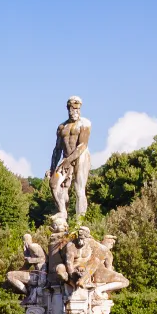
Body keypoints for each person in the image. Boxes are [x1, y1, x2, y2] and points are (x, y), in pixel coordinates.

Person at [46, 96, 91, 230]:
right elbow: (57, 149)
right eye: (71, 108)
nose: (73, 111)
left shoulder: (85, 124)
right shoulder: (62, 127)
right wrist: (53, 168)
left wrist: (68, 161)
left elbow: (82, 145)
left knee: (79, 189)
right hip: (66, 158)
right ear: (67, 108)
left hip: (81, 157)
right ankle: (62, 211)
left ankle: (79, 221)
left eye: (76, 108)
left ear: (80, 108)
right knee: (54, 183)